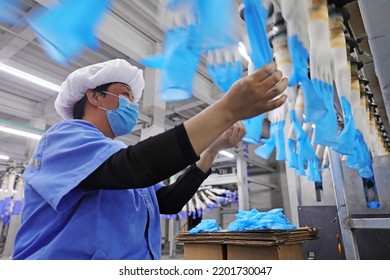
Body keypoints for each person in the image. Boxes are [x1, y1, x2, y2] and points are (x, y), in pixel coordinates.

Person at [12, 58, 287, 260]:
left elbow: (168, 201)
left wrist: (211, 150)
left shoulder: (111, 153)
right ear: (95, 96)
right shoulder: (64, 137)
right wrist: (224, 111)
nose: (132, 106)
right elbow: (133, 168)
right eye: (124, 96)